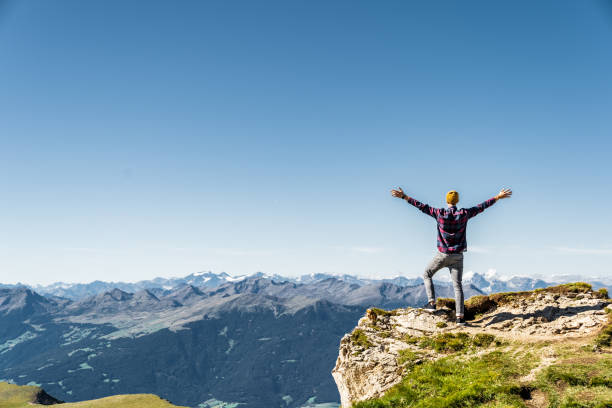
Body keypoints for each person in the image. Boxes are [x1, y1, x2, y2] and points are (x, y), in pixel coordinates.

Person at [390, 187, 512, 326]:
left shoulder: (439, 213)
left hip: (442, 255)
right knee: (457, 286)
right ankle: (460, 318)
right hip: (458, 256)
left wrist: (404, 196)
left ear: (447, 201)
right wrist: (497, 197)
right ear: (457, 201)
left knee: (427, 274)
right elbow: (481, 207)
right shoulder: (464, 213)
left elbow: (421, 206)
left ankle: (431, 304)